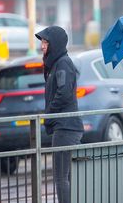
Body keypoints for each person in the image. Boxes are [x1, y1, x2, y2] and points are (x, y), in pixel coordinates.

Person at [35, 26, 84, 203]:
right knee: (66, 176)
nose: (42, 46)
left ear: (55, 43)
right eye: (42, 41)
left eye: (45, 42)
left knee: (61, 177)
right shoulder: (57, 63)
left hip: (66, 127)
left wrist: (48, 113)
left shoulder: (62, 63)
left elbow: (64, 93)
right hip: (65, 126)